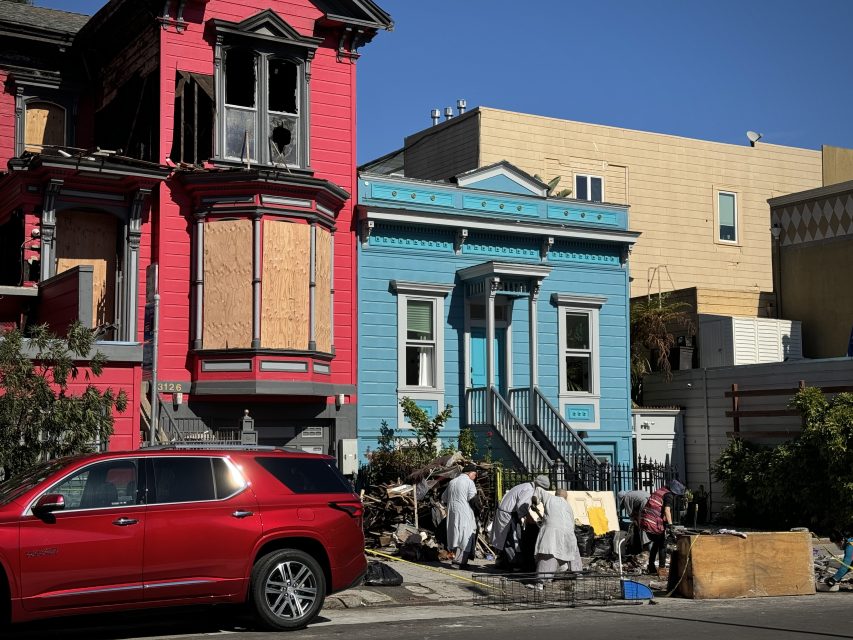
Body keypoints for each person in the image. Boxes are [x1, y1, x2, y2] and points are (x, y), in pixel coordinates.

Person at [527, 488, 582, 590]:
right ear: (566, 497)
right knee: (572, 550)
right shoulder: (568, 506)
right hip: (569, 533)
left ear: (556, 494)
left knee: (548, 554)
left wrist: (535, 501)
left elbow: (538, 490)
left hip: (552, 532)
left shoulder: (550, 497)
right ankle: (578, 574)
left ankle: (540, 583)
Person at [490, 474, 550, 568]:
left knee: (506, 539)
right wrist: (528, 519)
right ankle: (513, 563)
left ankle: (504, 561)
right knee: (511, 539)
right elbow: (522, 506)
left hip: (507, 513)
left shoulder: (526, 486)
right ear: (540, 487)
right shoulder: (529, 490)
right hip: (508, 515)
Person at [640, 479, 686, 575]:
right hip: (653, 522)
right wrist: (670, 525)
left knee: (656, 543)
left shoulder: (660, 491)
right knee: (662, 545)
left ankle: (651, 566)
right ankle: (662, 569)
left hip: (646, 521)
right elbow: (667, 510)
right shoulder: (668, 495)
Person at [441, 464, 479, 569]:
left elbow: (443, 498)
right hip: (465, 512)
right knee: (466, 536)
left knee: (456, 535)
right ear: (470, 473)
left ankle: (456, 559)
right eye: (474, 475)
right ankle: (460, 562)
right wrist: (478, 510)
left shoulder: (452, 482)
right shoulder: (469, 482)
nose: (475, 477)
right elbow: (473, 499)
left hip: (452, 513)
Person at [618, 489, 650, 555]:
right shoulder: (632, 494)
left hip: (645, 503)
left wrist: (637, 523)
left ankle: (645, 549)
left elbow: (631, 514)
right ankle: (646, 546)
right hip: (650, 501)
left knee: (642, 526)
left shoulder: (626, 498)